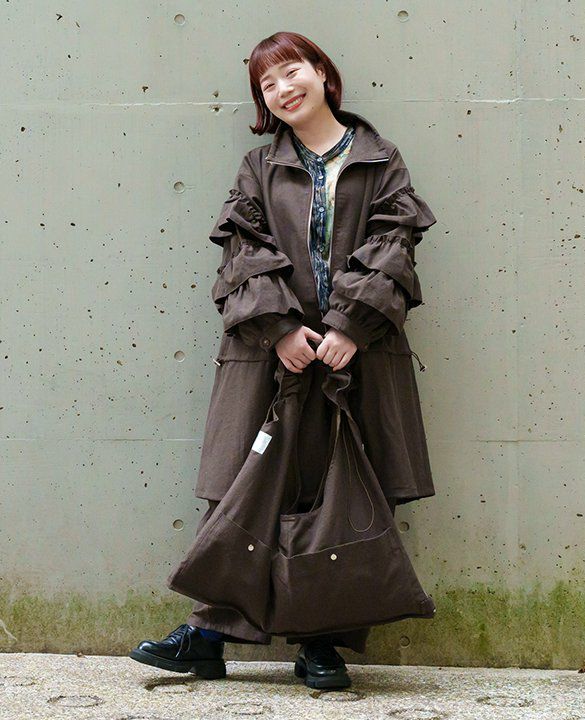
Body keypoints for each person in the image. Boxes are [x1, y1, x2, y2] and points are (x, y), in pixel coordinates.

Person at [130, 30, 437, 690]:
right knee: (244, 490)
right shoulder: (258, 167)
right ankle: (208, 635)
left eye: (290, 71)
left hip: (355, 356)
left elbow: (394, 244)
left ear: (322, 72)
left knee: (342, 495)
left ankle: (319, 643)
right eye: (266, 84)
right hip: (269, 355)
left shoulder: (381, 160)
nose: (281, 89)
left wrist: (351, 325)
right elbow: (242, 249)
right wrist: (279, 330)